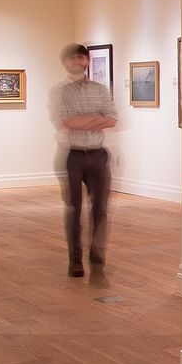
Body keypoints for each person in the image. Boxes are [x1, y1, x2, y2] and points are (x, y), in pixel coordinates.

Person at [51, 43, 117, 278]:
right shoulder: (59, 91)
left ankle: (97, 255)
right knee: (73, 208)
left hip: (98, 154)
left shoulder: (100, 89)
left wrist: (82, 120)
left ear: (87, 61)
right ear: (65, 63)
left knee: (100, 209)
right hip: (73, 154)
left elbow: (111, 119)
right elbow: (64, 121)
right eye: (72, 58)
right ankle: (75, 260)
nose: (77, 62)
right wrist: (95, 119)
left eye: (81, 57)